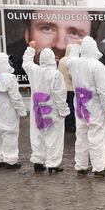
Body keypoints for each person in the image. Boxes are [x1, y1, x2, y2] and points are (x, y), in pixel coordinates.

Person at [69, 36, 105, 176]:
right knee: (97, 136)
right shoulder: (97, 66)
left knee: (81, 135)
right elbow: (103, 90)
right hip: (94, 106)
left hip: (80, 104)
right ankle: (98, 167)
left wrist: (76, 46)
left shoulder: (75, 63)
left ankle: (81, 165)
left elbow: (71, 58)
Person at [22, 42, 70, 173]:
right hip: (52, 110)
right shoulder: (55, 74)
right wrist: (64, 110)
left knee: (38, 135)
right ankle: (53, 164)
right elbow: (60, 95)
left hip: (37, 110)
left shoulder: (34, 71)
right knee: (54, 137)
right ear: (53, 59)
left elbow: (25, 63)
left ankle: (38, 161)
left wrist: (30, 49)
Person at [0, 52, 27, 169]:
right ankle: (10, 159)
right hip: (8, 111)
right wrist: (22, 111)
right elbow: (15, 97)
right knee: (9, 135)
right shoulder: (9, 78)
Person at [58, 44, 78, 133]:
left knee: (65, 106)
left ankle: (65, 125)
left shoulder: (62, 60)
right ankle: (71, 126)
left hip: (63, 88)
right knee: (72, 107)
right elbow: (71, 75)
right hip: (71, 88)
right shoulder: (71, 61)